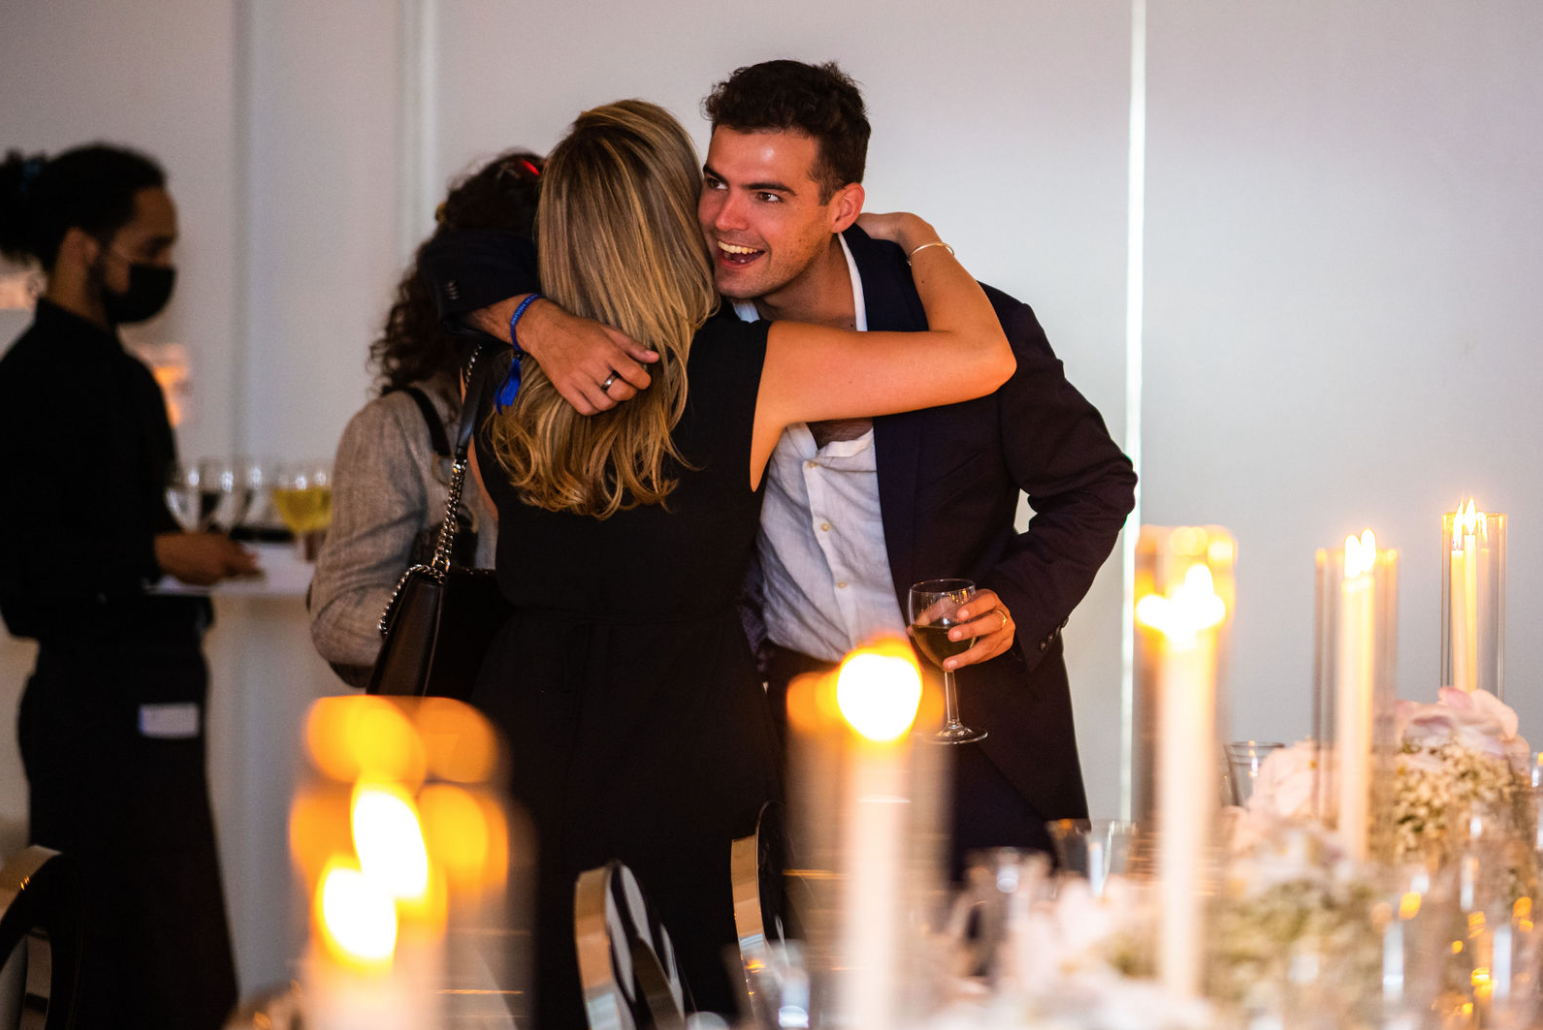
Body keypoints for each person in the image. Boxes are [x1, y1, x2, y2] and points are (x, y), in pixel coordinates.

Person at [427, 60, 1138, 874]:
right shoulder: (688, 335)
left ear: (842, 208)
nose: (725, 219)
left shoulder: (965, 323)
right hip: (793, 738)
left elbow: (1095, 484)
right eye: (714, 184)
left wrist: (1017, 599)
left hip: (971, 727)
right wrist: (537, 321)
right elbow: (469, 255)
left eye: (767, 195)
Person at [468, 99, 1013, 1029]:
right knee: (706, 996)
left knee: (556, 995)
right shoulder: (751, 364)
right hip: (684, 732)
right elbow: (981, 355)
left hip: (524, 728)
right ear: (671, 219)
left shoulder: (499, 370)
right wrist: (919, 238)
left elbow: (501, 513)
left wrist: (525, 319)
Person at [0, 143, 255, 1030]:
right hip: (91, 719)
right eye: (150, 250)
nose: (165, 269)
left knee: (180, 953)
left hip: (162, 699)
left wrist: (192, 552)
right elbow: (25, 582)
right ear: (83, 247)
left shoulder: (132, 382)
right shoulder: (27, 385)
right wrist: (155, 555)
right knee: (105, 962)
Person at [308, 150, 542, 685]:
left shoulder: (607, 404)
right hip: (453, 722)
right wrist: (470, 626)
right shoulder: (399, 428)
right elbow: (337, 615)